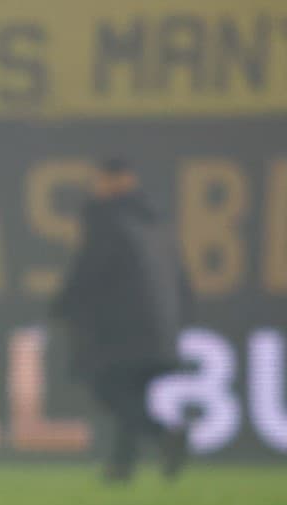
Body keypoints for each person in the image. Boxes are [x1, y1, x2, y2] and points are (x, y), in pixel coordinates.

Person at [51, 159, 192, 482]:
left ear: (113, 180)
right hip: (159, 327)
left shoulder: (108, 219)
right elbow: (179, 280)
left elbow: (91, 269)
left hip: (121, 330)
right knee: (133, 395)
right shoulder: (154, 221)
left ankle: (164, 435)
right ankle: (121, 466)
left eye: (100, 180)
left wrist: (63, 304)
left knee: (107, 387)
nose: (96, 187)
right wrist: (178, 321)